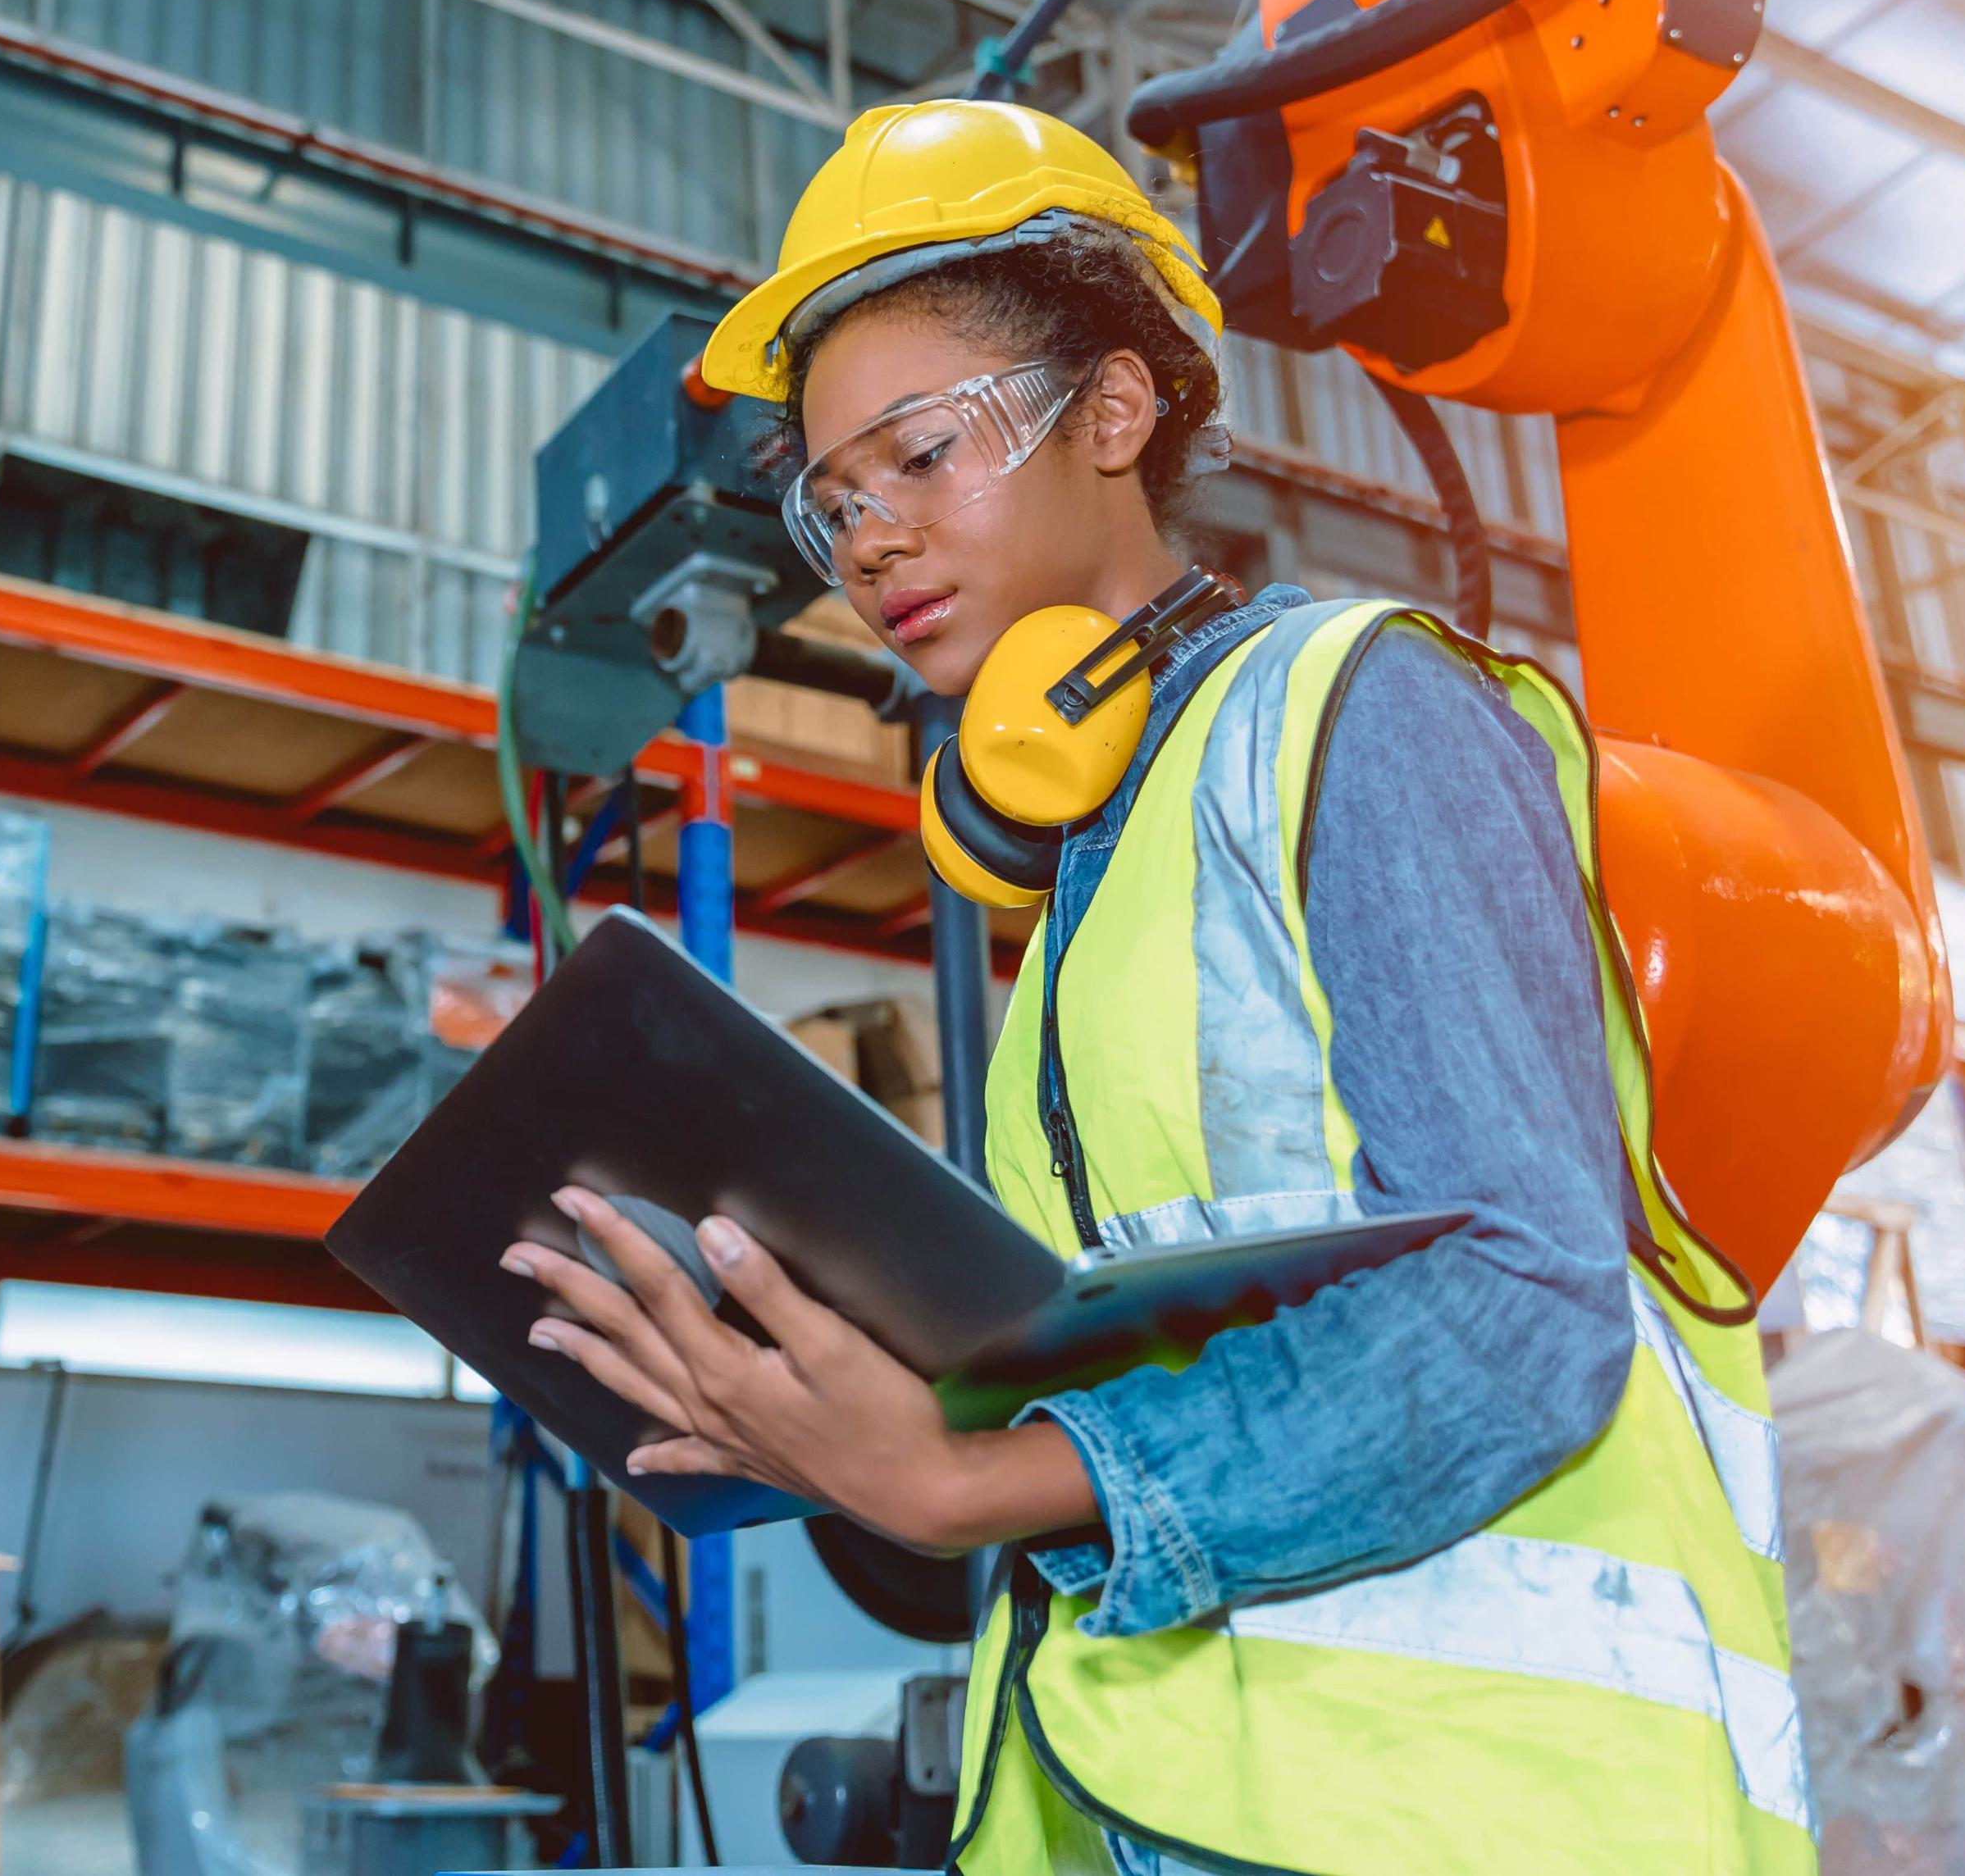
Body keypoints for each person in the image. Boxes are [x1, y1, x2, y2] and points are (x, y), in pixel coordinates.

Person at [495, 101, 1803, 1876]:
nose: (870, 538)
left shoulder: (1358, 713)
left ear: (1112, 411)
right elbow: (1155, 1362)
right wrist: (833, 1418)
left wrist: (969, 1475)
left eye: (918, 452)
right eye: (832, 500)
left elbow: (1520, 1309)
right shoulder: (1098, 873)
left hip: (1460, 1815)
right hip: (1150, 1799)